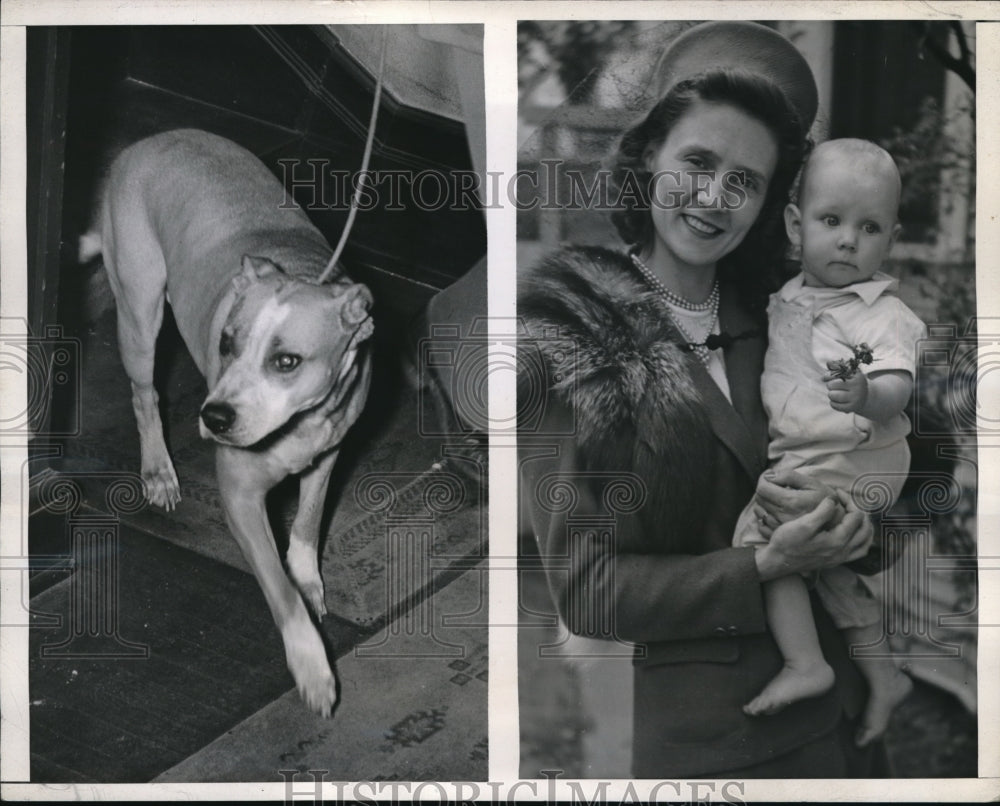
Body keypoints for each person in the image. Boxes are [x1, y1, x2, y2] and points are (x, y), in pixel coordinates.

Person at [518, 22, 886, 778]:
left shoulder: (789, 316)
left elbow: (879, 468)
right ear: (650, 155)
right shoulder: (568, 333)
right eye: (697, 161)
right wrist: (759, 566)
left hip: (846, 718)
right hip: (712, 743)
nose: (714, 198)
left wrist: (860, 530)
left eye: (746, 181)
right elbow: (588, 590)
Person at [735, 140, 925, 745]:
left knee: (761, 536)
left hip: (852, 453)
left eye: (869, 227)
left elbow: (897, 381)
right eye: (831, 220)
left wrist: (867, 394)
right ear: (796, 225)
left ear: (890, 239)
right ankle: (885, 675)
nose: (848, 240)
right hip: (818, 456)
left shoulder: (878, 312)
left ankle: (806, 663)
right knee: (832, 571)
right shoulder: (791, 294)